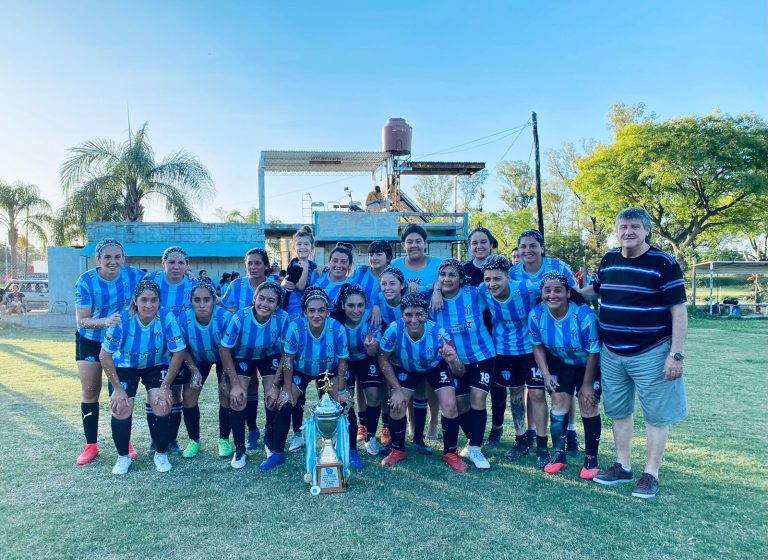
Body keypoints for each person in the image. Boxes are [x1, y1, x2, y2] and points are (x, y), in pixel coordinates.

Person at [583, 207, 688, 499]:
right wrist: (566, 295)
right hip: (612, 352)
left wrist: (676, 354)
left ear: (646, 231)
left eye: (634, 227)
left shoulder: (663, 263)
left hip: (652, 352)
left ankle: (650, 473)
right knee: (618, 411)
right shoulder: (609, 259)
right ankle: (623, 465)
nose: (627, 232)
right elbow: (598, 289)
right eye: (623, 227)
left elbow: (678, 310)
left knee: (656, 414)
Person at [100, 279, 187, 474]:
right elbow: (104, 356)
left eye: (154, 300)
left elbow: (179, 353)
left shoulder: (167, 317)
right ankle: (123, 457)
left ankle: (161, 453)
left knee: (162, 403)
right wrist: (118, 389)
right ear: (135, 301)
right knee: (121, 406)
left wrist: (165, 386)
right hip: (124, 366)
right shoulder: (121, 319)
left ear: (159, 301)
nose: (149, 305)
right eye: (144, 300)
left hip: (155, 365)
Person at [73, 239, 146, 465]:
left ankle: (126, 442)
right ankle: (91, 445)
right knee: (91, 389)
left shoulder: (134, 275)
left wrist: (191, 278)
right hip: (91, 340)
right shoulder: (85, 281)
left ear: (123, 258)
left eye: (117, 257)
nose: (113, 262)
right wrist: (106, 321)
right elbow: (81, 320)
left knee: (120, 390)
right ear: (98, 259)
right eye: (107, 257)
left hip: (121, 340)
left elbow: (159, 282)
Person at [378, 292, 467, 471]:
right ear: (402, 315)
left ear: (427, 314)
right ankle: (398, 450)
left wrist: (454, 359)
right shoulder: (394, 330)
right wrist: (396, 389)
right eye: (408, 315)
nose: (414, 319)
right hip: (406, 367)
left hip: (434, 367)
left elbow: (461, 372)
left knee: (450, 404)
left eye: (419, 314)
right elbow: (382, 360)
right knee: (397, 404)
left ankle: (450, 453)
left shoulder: (439, 332)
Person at [511, 230, 580, 455]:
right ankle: (531, 433)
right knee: (535, 389)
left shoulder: (558, 267)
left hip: (559, 337)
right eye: (523, 246)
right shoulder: (512, 273)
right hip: (528, 337)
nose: (528, 250)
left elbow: (575, 296)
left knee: (563, 389)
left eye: (533, 246)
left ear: (541, 247)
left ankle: (570, 432)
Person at [529, 272, 603, 479]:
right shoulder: (536, 314)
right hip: (561, 362)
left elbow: (594, 352)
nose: (552, 295)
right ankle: (559, 455)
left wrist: (587, 384)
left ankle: (590, 459)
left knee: (588, 404)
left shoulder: (584, 316)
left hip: (589, 363)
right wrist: (545, 374)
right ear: (541, 293)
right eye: (547, 290)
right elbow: (537, 347)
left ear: (569, 292)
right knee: (559, 402)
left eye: (558, 290)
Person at [280, 287, 362, 467]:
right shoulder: (295, 327)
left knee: (345, 403)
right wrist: (286, 389)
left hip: (328, 370)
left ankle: (352, 450)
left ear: (328, 312)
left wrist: (341, 390)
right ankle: (277, 451)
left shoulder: (337, 329)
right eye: (312, 311)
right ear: (304, 312)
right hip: (301, 370)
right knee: (285, 402)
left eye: (321, 310)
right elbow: (288, 360)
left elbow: (342, 362)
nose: (316, 315)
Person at [478, 255, 545, 465]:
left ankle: (542, 444)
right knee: (515, 393)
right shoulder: (482, 290)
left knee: (536, 393)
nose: (492, 284)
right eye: (488, 279)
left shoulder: (527, 288)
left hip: (531, 348)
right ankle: (521, 440)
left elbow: (556, 289)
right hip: (503, 349)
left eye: (497, 278)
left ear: (508, 276)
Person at [430, 259, 496, 469]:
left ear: (461, 279)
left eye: (452, 275)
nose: (447, 279)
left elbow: (497, 294)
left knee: (478, 398)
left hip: (481, 355)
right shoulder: (432, 300)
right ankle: (470, 441)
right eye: (443, 275)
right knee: (461, 403)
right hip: (451, 360)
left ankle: (475, 448)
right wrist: (435, 289)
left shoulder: (474, 294)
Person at [219, 281, 291, 469]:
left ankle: (269, 439)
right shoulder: (240, 317)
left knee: (272, 396)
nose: (265, 304)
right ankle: (240, 448)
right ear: (254, 298)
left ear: (277, 305)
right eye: (261, 298)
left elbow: (287, 352)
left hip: (269, 355)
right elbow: (224, 349)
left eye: (271, 300)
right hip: (243, 356)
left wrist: (276, 384)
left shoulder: (283, 318)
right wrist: (234, 383)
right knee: (238, 396)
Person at [390, 224, 443, 441]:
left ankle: (433, 421)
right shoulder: (396, 265)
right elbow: (385, 285)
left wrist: (437, 289)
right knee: (411, 379)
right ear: (404, 245)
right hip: (404, 329)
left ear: (425, 243)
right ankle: (412, 422)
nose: (414, 245)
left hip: (431, 327)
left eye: (418, 241)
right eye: (409, 242)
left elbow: (451, 277)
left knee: (430, 382)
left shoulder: (437, 264)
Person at [175, 279, 234, 459]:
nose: (201, 305)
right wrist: (193, 370)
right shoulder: (183, 319)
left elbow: (229, 349)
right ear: (190, 301)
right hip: (197, 357)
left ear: (214, 300)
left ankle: (224, 439)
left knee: (225, 392)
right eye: (197, 300)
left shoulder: (225, 317)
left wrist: (225, 378)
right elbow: (182, 347)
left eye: (206, 300)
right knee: (190, 393)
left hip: (223, 357)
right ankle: (194, 440)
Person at [221, 247, 271, 450]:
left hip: (268, 348)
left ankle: (270, 428)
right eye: (249, 263)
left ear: (266, 265)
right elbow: (225, 306)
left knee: (271, 388)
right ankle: (252, 430)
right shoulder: (236, 285)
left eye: (258, 262)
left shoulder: (275, 287)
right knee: (248, 386)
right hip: (242, 348)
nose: (253, 267)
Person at [331, 284, 384, 456]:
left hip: (366, 360)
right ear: (343, 305)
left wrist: (372, 348)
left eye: (360, 305)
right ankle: (347, 438)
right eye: (351, 306)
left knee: (374, 394)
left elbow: (376, 351)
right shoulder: (336, 321)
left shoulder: (372, 318)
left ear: (365, 305)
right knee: (345, 400)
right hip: (344, 362)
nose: (356, 310)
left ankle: (371, 436)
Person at [281, 225, 318, 452]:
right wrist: (304, 268)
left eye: (307, 245)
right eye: (299, 245)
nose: (303, 248)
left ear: (312, 248)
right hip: (295, 319)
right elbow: (301, 286)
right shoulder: (296, 265)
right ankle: (296, 432)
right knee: (295, 375)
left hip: (311, 318)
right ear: (295, 248)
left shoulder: (312, 266)